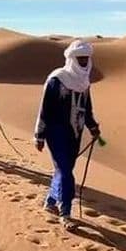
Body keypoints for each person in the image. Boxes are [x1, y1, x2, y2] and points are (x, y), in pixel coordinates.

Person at [34, 40, 101, 231]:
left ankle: (50, 201)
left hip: (75, 133)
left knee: (64, 169)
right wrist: (39, 134)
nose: (83, 63)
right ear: (71, 58)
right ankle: (65, 213)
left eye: (86, 59)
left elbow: (87, 109)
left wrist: (93, 127)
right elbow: (44, 109)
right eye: (80, 59)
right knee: (65, 171)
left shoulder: (84, 83)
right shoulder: (57, 79)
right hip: (55, 133)